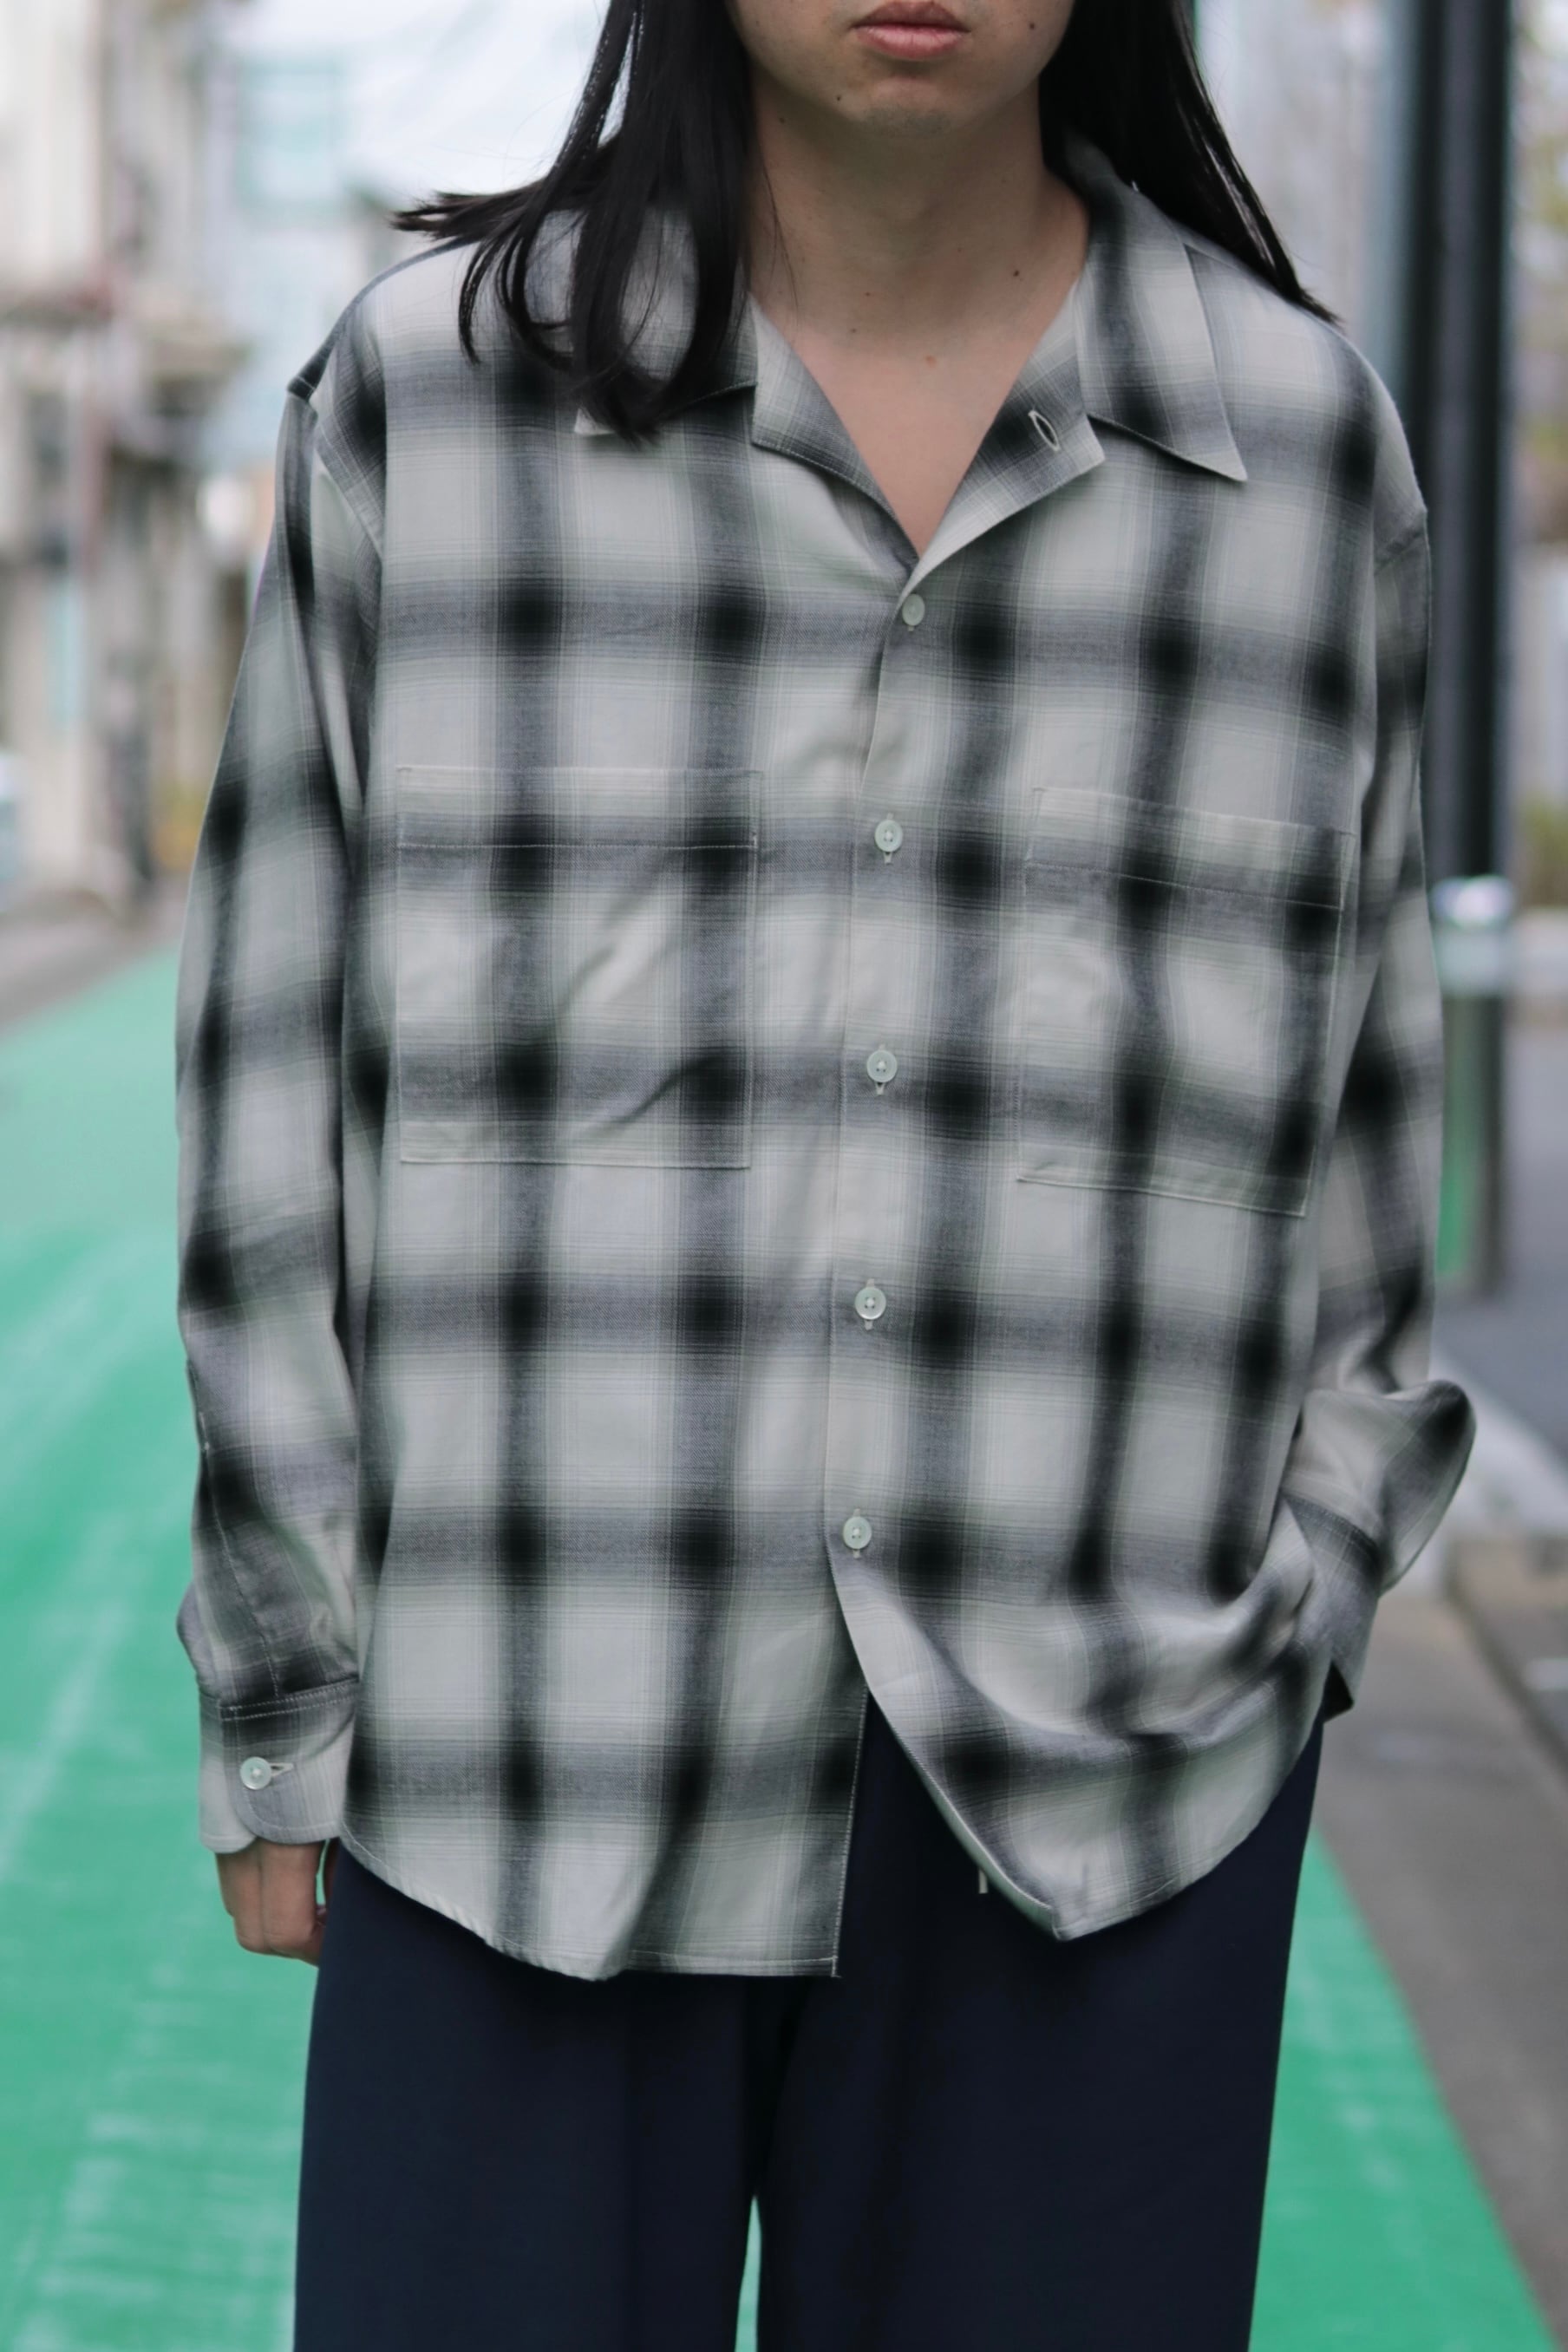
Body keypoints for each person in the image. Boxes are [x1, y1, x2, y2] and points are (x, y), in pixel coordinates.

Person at [173, 2, 1477, 2345]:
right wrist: (287, 1691)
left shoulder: (1296, 454)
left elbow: (1367, 1140)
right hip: (526, 1761)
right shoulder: (431, 409)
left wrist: (1300, 1621)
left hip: (1105, 1800)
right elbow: (274, 1090)